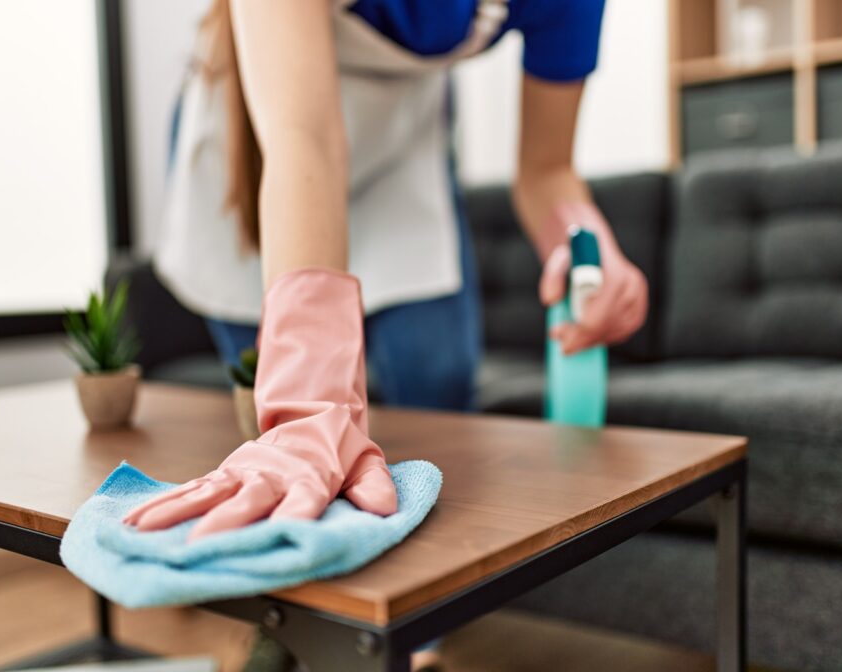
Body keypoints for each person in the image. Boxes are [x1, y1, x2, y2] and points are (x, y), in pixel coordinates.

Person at [126, 1, 647, 669]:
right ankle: (290, 624)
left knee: (437, 380)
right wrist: (308, 404)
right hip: (265, 139)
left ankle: (409, 633)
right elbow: (304, 136)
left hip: (401, 139)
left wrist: (585, 242)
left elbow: (546, 170)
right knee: (275, 409)